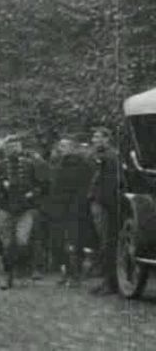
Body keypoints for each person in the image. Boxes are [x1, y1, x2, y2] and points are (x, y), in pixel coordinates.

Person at [0, 133, 49, 290]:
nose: (13, 150)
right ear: (5, 149)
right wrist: (1, 186)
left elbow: (43, 186)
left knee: (22, 241)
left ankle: (24, 268)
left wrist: (32, 194)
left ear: (21, 148)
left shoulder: (31, 165)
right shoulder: (0, 166)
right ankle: (7, 276)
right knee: (7, 243)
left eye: (16, 146)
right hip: (6, 208)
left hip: (25, 208)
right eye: (10, 147)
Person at [47, 136, 95, 287]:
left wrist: (77, 207)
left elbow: (83, 188)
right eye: (60, 145)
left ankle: (75, 276)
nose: (62, 148)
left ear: (73, 148)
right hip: (58, 208)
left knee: (74, 242)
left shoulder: (81, 164)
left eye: (65, 146)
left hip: (74, 209)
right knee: (60, 241)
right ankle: (66, 273)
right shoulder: (57, 163)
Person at [88, 126, 122, 295]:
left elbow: (110, 184)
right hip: (100, 203)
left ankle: (111, 283)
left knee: (107, 243)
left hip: (104, 205)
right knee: (105, 243)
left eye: (98, 137)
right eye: (94, 137)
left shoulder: (109, 157)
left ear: (107, 139)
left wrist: (104, 204)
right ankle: (108, 282)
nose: (94, 140)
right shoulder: (105, 156)